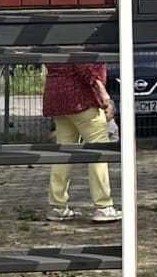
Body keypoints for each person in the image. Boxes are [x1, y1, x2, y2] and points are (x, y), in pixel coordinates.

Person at [42, 59, 121, 223]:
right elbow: (82, 64)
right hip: (82, 98)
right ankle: (103, 206)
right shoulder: (80, 41)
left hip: (57, 97)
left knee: (63, 153)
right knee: (99, 152)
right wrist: (102, 90)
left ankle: (57, 206)